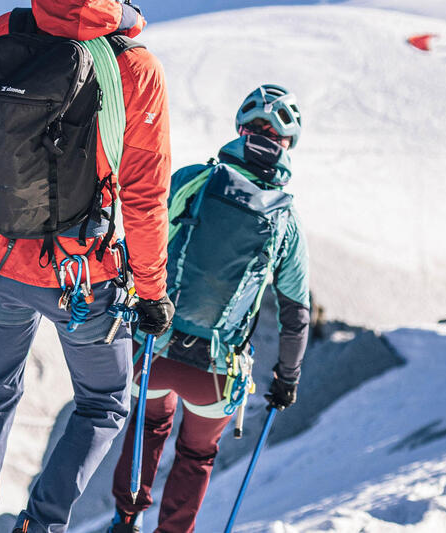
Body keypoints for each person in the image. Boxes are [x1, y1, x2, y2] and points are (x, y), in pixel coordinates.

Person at [0, 1, 175, 532]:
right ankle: (41, 524)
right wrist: (151, 292)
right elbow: (145, 197)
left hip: (0, 262)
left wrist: (4, 228)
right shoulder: (134, 66)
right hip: (82, 278)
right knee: (103, 404)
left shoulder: (6, 31)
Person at [108, 84, 310, 533]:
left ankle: (125, 520)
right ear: (288, 144)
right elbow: (296, 311)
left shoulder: (195, 179)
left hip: (155, 349)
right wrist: (287, 379)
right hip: (216, 372)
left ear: (240, 130)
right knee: (197, 456)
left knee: (149, 428)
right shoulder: (286, 221)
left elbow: (143, 235)